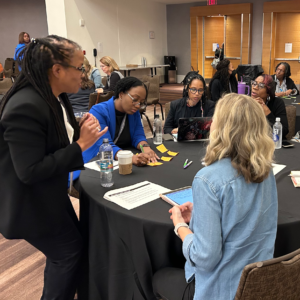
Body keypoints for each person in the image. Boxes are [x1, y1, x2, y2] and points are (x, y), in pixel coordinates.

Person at [0, 35, 108, 300]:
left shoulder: (55, 96)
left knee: (70, 250)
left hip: (49, 195)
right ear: (57, 70)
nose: (83, 75)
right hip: (28, 203)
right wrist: (80, 145)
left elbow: (53, 145)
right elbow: (30, 170)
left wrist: (78, 136)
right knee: (67, 253)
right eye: (79, 67)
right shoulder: (25, 105)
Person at [153, 93, 278, 300]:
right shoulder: (266, 170)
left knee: (158, 276)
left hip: (221, 290)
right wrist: (201, 214)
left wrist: (180, 226)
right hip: (260, 284)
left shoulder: (207, 180)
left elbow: (205, 257)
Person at [83, 76, 159, 167]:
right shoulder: (98, 111)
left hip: (119, 160)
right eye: (135, 99)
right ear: (121, 94)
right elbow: (105, 145)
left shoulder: (133, 112)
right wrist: (130, 158)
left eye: (141, 102)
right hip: (97, 162)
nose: (138, 105)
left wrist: (146, 148)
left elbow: (138, 136)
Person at [251, 74, 289, 139]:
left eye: (261, 85)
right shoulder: (245, 102)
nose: (255, 87)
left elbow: (283, 132)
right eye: (254, 83)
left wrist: (267, 111)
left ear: (268, 91)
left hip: (271, 143)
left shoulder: (277, 103)